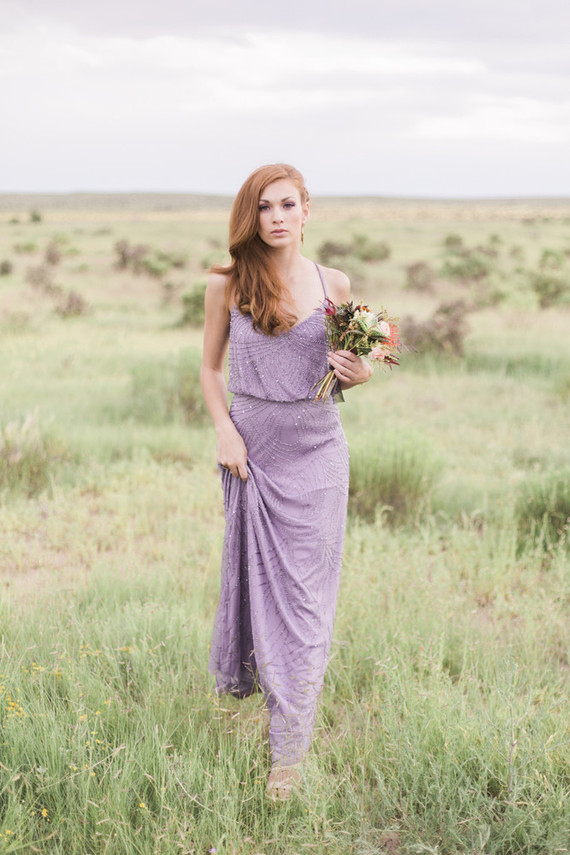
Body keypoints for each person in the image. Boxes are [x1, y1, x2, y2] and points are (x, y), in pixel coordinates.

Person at [200, 163, 372, 800]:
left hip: (320, 449)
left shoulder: (335, 283)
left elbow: (352, 373)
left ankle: (288, 754)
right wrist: (224, 431)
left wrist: (359, 372)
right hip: (252, 449)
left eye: (287, 205)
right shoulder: (227, 282)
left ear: (307, 212)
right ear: (252, 216)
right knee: (256, 588)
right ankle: (267, 702)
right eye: (264, 206)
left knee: (304, 602)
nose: (276, 217)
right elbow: (209, 371)